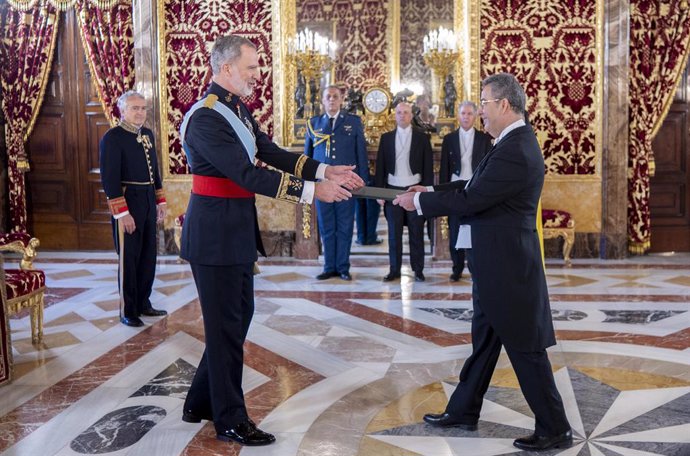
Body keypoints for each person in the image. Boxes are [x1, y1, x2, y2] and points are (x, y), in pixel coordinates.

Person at [178, 35, 364, 446]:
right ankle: (230, 419)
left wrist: (323, 171)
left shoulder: (235, 108)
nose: (256, 74)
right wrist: (313, 193)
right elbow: (247, 174)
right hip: (213, 237)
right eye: (251, 67)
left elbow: (267, 150)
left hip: (234, 231)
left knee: (236, 319)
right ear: (226, 68)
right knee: (226, 326)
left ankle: (199, 401)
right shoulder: (207, 117)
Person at [393, 73, 572, 452]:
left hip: (509, 268)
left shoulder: (516, 148)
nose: (480, 113)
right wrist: (430, 190)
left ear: (505, 105)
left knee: (525, 348)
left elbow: (473, 201)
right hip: (496, 266)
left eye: (485, 104)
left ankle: (555, 427)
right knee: (484, 342)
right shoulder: (509, 142)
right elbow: (473, 187)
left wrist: (420, 204)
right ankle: (463, 410)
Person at [99, 90, 168, 328]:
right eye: (134, 108)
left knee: (149, 255)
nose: (140, 112)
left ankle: (143, 302)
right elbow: (109, 180)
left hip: (148, 199)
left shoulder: (147, 134)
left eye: (143, 108)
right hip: (128, 202)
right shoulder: (113, 138)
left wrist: (160, 201)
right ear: (123, 110)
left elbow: (154, 172)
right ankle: (128, 310)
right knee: (129, 258)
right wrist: (122, 213)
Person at [305, 85, 369, 280]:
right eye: (328, 97)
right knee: (326, 226)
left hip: (346, 184)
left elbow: (361, 155)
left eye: (335, 97)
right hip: (322, 184)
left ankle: (342, 267)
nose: (331, 100)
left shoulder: (353, 122)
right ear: (322, 101)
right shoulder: (314, 123)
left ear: (341, 100)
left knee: (345, 226)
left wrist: (362, 182)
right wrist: (308, 185)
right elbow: (307, 158)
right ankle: (328, 266)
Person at [374, 102, 433, 282]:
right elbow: (380, 167)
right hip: (392, 190)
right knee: (394, 233)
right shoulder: (386, 138)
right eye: (399, 113)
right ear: (395, 115)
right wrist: (379, 193)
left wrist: (427, 192)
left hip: (414, 190)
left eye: (406, 113)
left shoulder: (422, 138)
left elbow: (428, 168)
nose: (402, 116)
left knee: (416, 232)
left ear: (411, 115)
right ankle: (394, 270)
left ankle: (418, 270)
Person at [439, 101, 492, 281]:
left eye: (470, 113)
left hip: (476, 189)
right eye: (463, 113)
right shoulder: (449, 139)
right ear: (458, 115)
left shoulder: (484, 139)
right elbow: (445, 169)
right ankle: (457, 268)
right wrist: (442, 194)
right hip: (455, 189)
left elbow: (487, 168)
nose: (466, 117)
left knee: (475, 229)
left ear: (475, 115)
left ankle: (475, 267)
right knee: (455, 229)